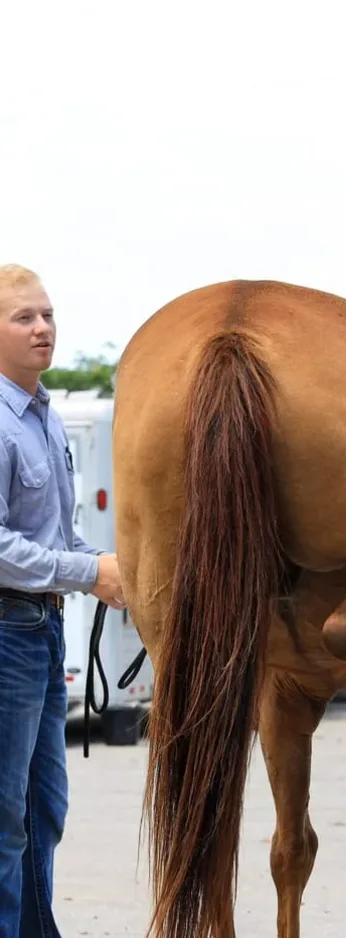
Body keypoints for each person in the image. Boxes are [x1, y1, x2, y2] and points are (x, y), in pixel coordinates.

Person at [0, 264, 125, 937]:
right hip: (6, 635)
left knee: (43, 810)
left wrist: (108, 568)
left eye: (47, 314)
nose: (43, 327)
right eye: (24, 317)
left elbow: (61, 533)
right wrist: (88, 569)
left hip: (41, 632)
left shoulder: (42, 416)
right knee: (6, 823)